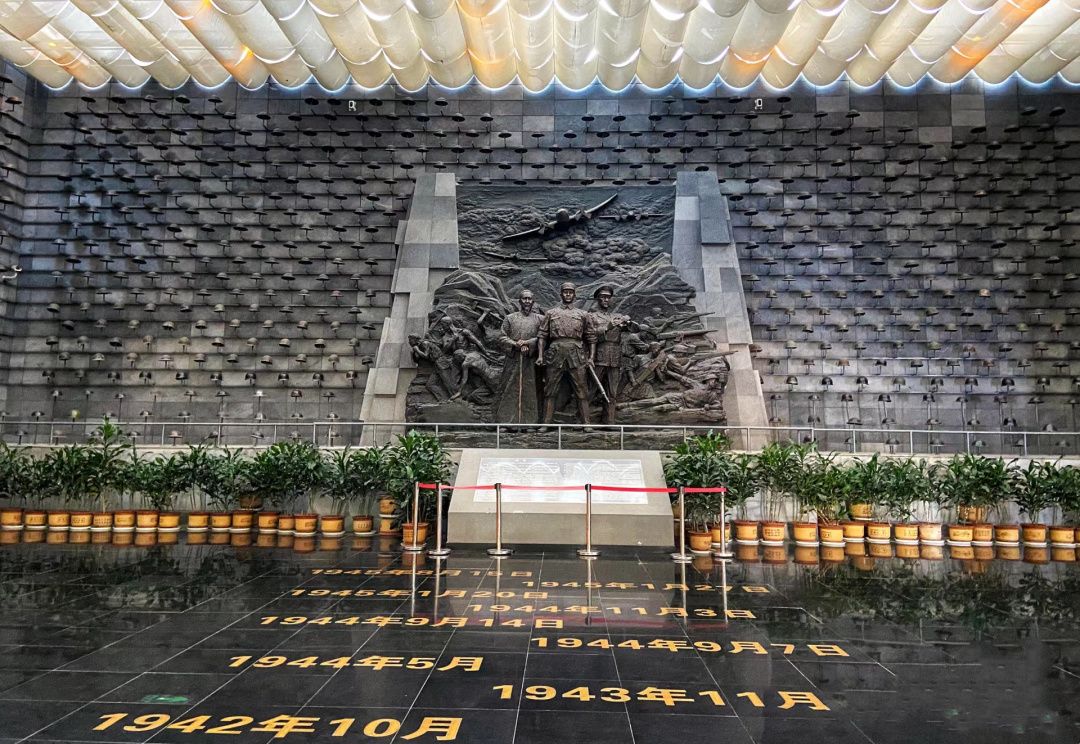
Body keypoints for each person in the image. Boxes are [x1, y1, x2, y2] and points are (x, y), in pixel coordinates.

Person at [537, 282, 597, 429]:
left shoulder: (583, 314)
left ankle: (586, 424)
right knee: (550, 391)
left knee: (581, 390)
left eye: (571, 292)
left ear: (574, 295)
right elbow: (542, 336)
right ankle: (546, 424)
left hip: (576, 355)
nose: (568, 294)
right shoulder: (551, 313)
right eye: (565, 292)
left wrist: (591, 358)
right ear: (561, 294)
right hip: (555, 354)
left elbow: (591, 338)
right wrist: (540, 356)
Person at [495, 290, 543, 424]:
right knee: (510, 388)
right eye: (524, 299)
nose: (527, 301)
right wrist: (515, 344)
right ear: (520, 301)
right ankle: (506, 422)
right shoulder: (510, 318)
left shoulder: (540, 319)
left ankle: (530, 423)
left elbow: (543, 337)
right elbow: (502, 337)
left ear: (533, 302)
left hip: (531, 360)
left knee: (531, 390)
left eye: (529, 299)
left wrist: (528, 343)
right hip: (513, 359)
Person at [589, 285, 630, 425]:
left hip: (615, 357)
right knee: (591, 388)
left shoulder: (615, 316)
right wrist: (607, 327)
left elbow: (633, 329)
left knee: (612, 391)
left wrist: (627, 322)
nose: (606, 299)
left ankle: (609, 421)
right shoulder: (592, 316)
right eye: (603, 297)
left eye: (608, 297)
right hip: (599, 356)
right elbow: (590, 335)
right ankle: (582, 420)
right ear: (597, 299)